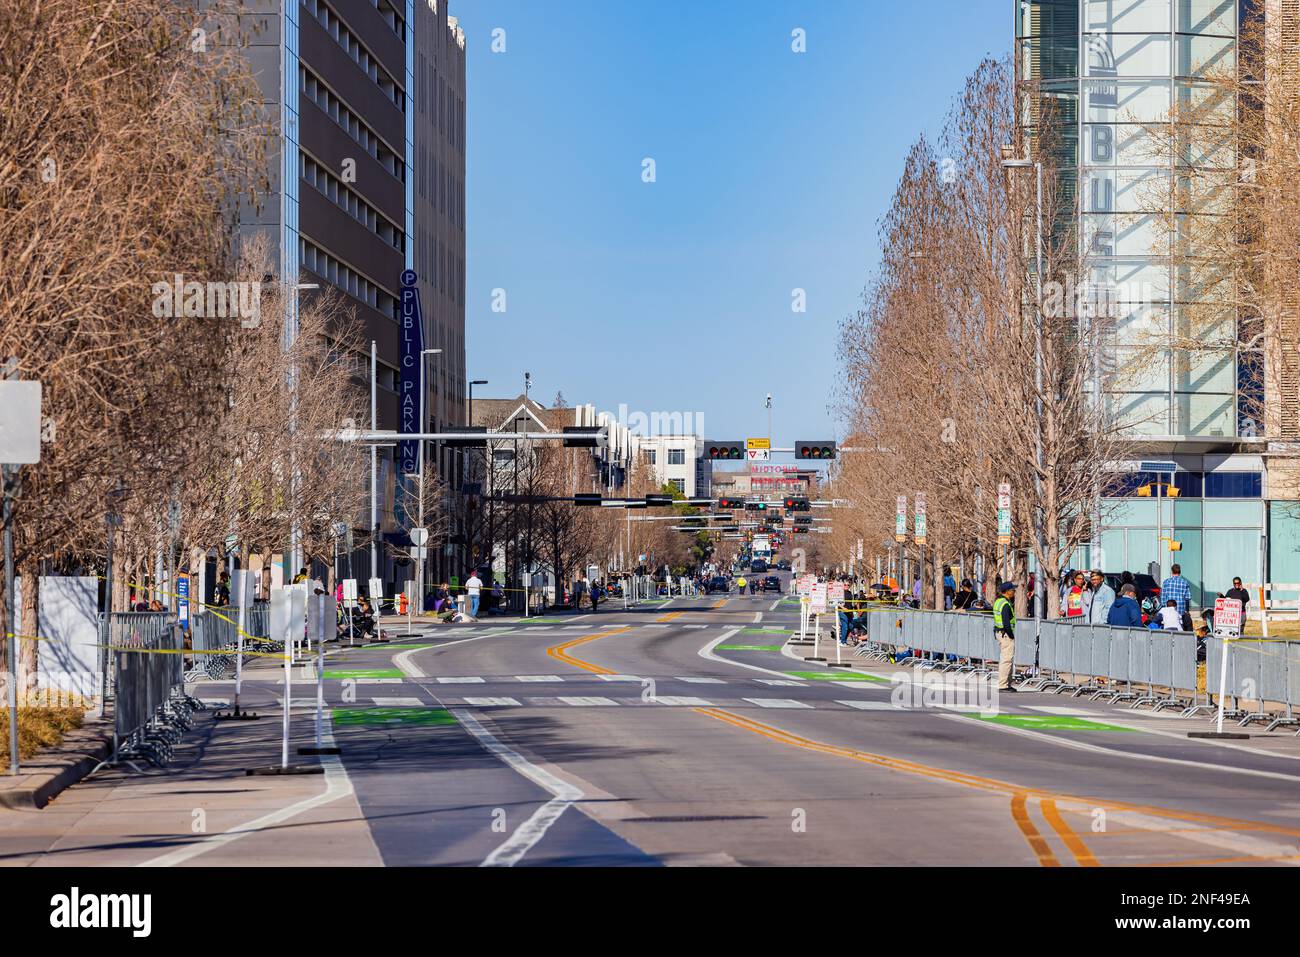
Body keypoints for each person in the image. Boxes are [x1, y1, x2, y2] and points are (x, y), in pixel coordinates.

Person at [993, 581, 1017, 692]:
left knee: (1006, 659)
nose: (1014, 592)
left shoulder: (998, 601)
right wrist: (1011, 635)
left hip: (1000, 632)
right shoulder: (1005, 604)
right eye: (1012, 590)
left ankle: (1007, 683)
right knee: (1006, 660)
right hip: (1006, 634)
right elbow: (1006, 622)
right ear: (1007, 592)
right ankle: (1003, 685)